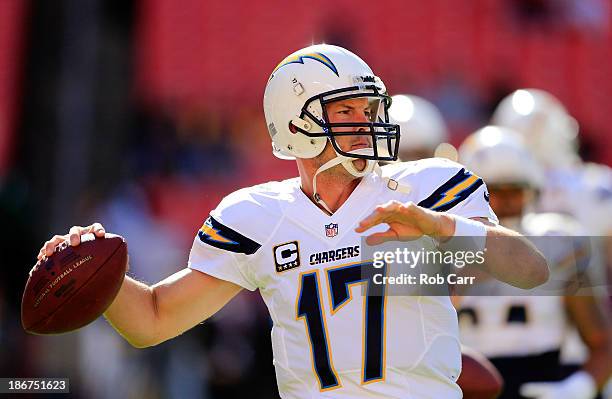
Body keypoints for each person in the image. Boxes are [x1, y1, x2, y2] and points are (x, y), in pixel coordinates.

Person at [37, 44, 548, 399]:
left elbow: (533, 269)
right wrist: (92, 273)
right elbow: (152, 320)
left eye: (369, 107)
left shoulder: (428, 186)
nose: (367, 120)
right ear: (297, 121)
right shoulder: (258, 216)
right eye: (347, 109)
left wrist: (440, 227)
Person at [456, 126, 612, 399]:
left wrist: (579, 388)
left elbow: (602, 343)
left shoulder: (560, 242)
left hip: (543, 382)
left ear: (534, 192)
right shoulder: (439, 249)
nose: (503, 202)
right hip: (467, 384)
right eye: (493, 191)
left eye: (514, 190)